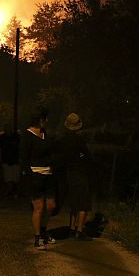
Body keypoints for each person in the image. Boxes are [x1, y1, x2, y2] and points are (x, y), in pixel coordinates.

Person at [19, 107, 56, 250]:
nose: (47, 121)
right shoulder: (27, 135)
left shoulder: (45, 133)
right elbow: (23, 158)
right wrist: (29, 175)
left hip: (49, 175)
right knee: (38, 207)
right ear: (40, 119)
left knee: (51, 206)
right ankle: (38, 236)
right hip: (35, 175)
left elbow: (51, 151)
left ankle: (44, 230)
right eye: (45, 118)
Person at [55, 113, 94, 241]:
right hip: (79, 173)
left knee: (73, 202)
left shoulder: (62, 140)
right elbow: (87, 156)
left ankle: (72, 227)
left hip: (68, 173)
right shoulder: (78, 140)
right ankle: (80, 230)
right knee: (83, 202)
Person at [0, 124, 21, 198]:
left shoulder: (17, 137)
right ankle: (10, 191)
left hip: (15, 160)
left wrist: (21, 157)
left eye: (9, 128)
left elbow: (21, 147)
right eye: (6, 128)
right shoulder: (2, 137)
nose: (8, 129)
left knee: (15, 178)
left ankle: (14, 191)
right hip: (6, 160)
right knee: (8, 178)